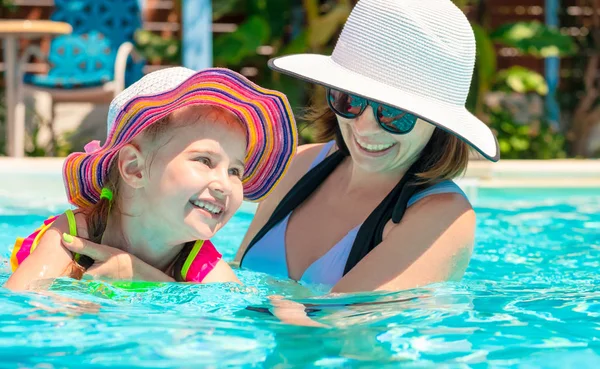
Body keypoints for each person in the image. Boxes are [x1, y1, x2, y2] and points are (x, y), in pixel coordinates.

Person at [235, 0, 500, 293]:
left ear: (437, 123)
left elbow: (341, 325)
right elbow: (233, 283)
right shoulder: (298, 166)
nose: (364, 128)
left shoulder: (444, 218)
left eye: (395, 114)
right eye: (350, 100)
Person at [5, 67, 297, 291]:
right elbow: (24, 309)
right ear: (135, 169)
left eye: (235, 171)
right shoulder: (75, 236)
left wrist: (138, 275)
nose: (224, 184)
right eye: (204, 160)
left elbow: (239, 321)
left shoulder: (197, 259)